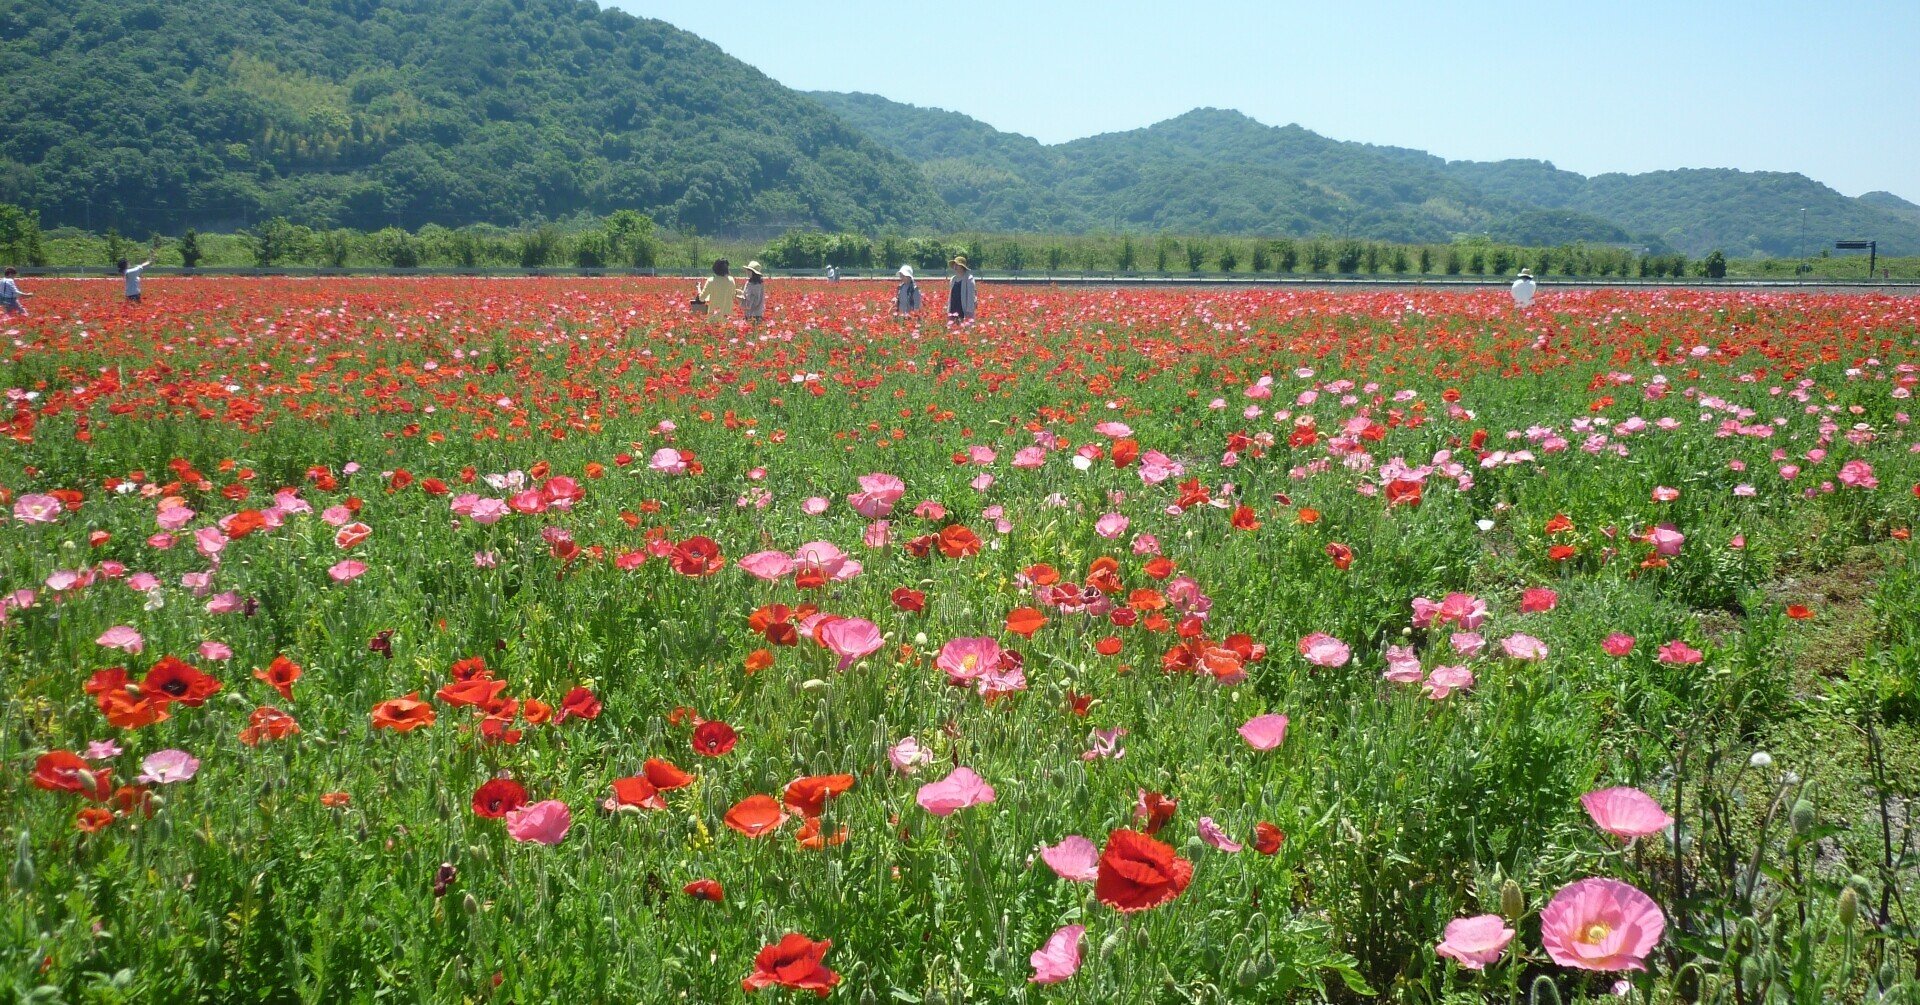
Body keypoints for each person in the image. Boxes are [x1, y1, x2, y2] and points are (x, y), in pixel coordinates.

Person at [947, 255, 977, 322]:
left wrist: (969, 312)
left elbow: (971, 296)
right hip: (953, 306)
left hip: (963, 308)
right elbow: (950, 296)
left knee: (964, 328)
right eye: (954, 264)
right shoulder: (953, 279)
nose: (955, 266)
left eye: (957, 265)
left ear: (962, 267)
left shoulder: (969, 278)